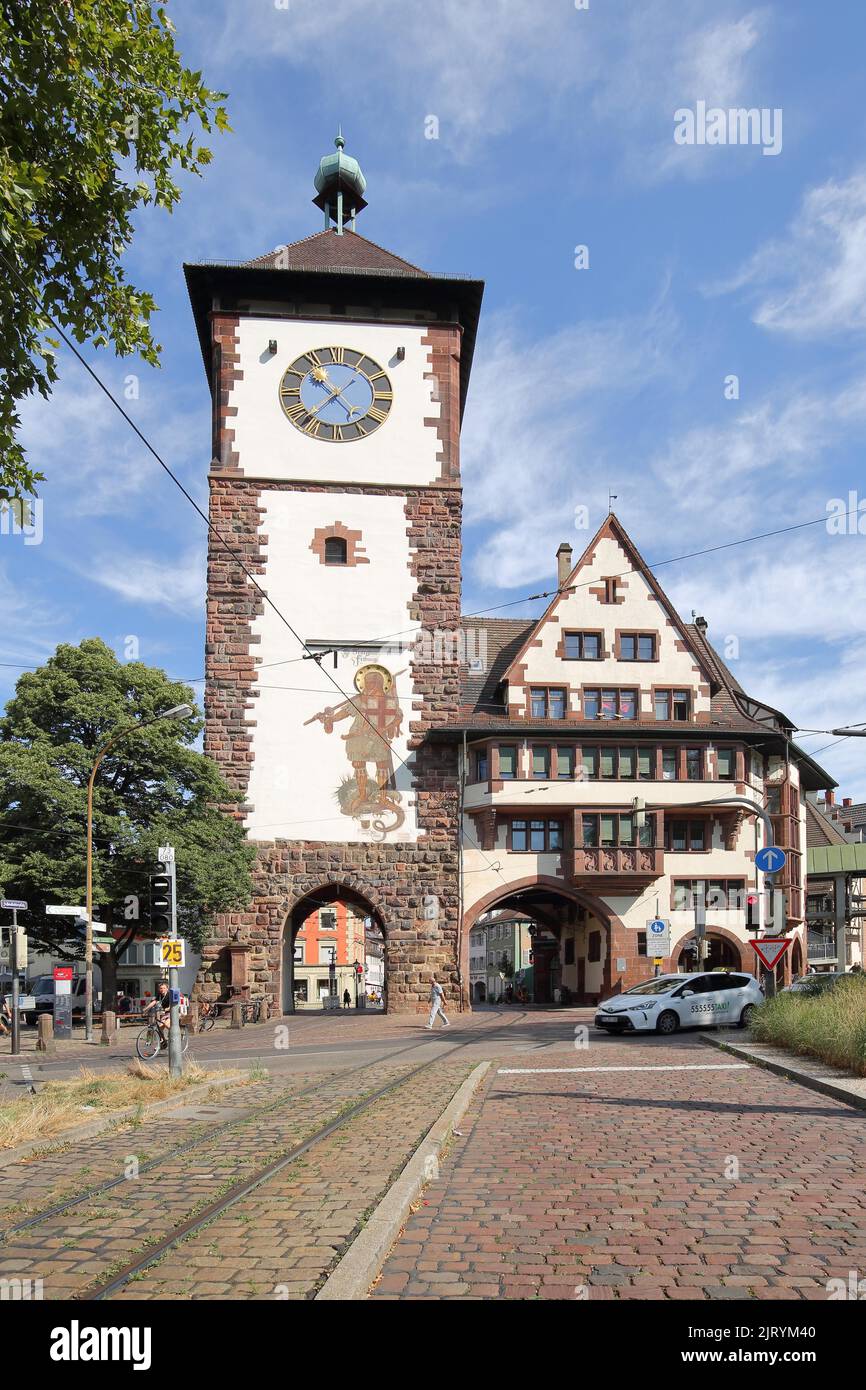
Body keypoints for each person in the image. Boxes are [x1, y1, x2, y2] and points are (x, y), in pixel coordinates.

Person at [144, 980, 172, 1046]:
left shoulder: (169, 995)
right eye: (161, 988)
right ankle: (163, 1041)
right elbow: (154, 1002)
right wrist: (146, 1008)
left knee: (166, 1024)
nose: (162, 989)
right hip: (164, 1013)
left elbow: (172, 1006)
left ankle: (174, 1035)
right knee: (159, 1027)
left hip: (172, 1013)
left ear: (167, 988)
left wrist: (166, 1009)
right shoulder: (159, 995)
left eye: (164, 988)